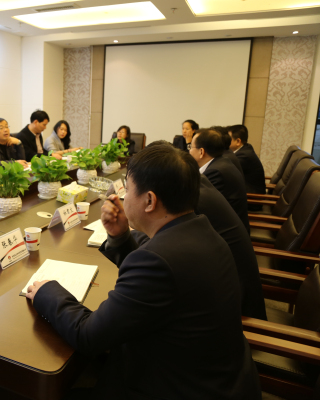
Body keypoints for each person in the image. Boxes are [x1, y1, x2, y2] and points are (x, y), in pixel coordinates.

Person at [26, 145, 261, 400]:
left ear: (149, 201)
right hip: (221, 377)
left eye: (127, 189)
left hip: (180, 387)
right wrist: (120, 237)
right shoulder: (202, 230)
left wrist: (46, 291)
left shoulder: (157, 260)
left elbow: (88, 335)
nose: (123, 197)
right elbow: (158, 283)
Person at [133, 140, 266, 320]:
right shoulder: (193, 185)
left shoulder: (187, 200)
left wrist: (133, 226)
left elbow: (162, 246)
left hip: (234, 304)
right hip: (222, 283)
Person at [190, 129, 250, 233]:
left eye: (191, 147)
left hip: (226, 236)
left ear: (201, 152)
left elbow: (200, 208)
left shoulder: (215, 172)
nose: (189, 151)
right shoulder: (221, 163)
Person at [229, 125, 266, 208]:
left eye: (228, 139)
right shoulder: (245, 149)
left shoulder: (244, 156)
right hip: (247, 194)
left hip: (252, 200)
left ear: (238, 141)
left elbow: (226, 171)